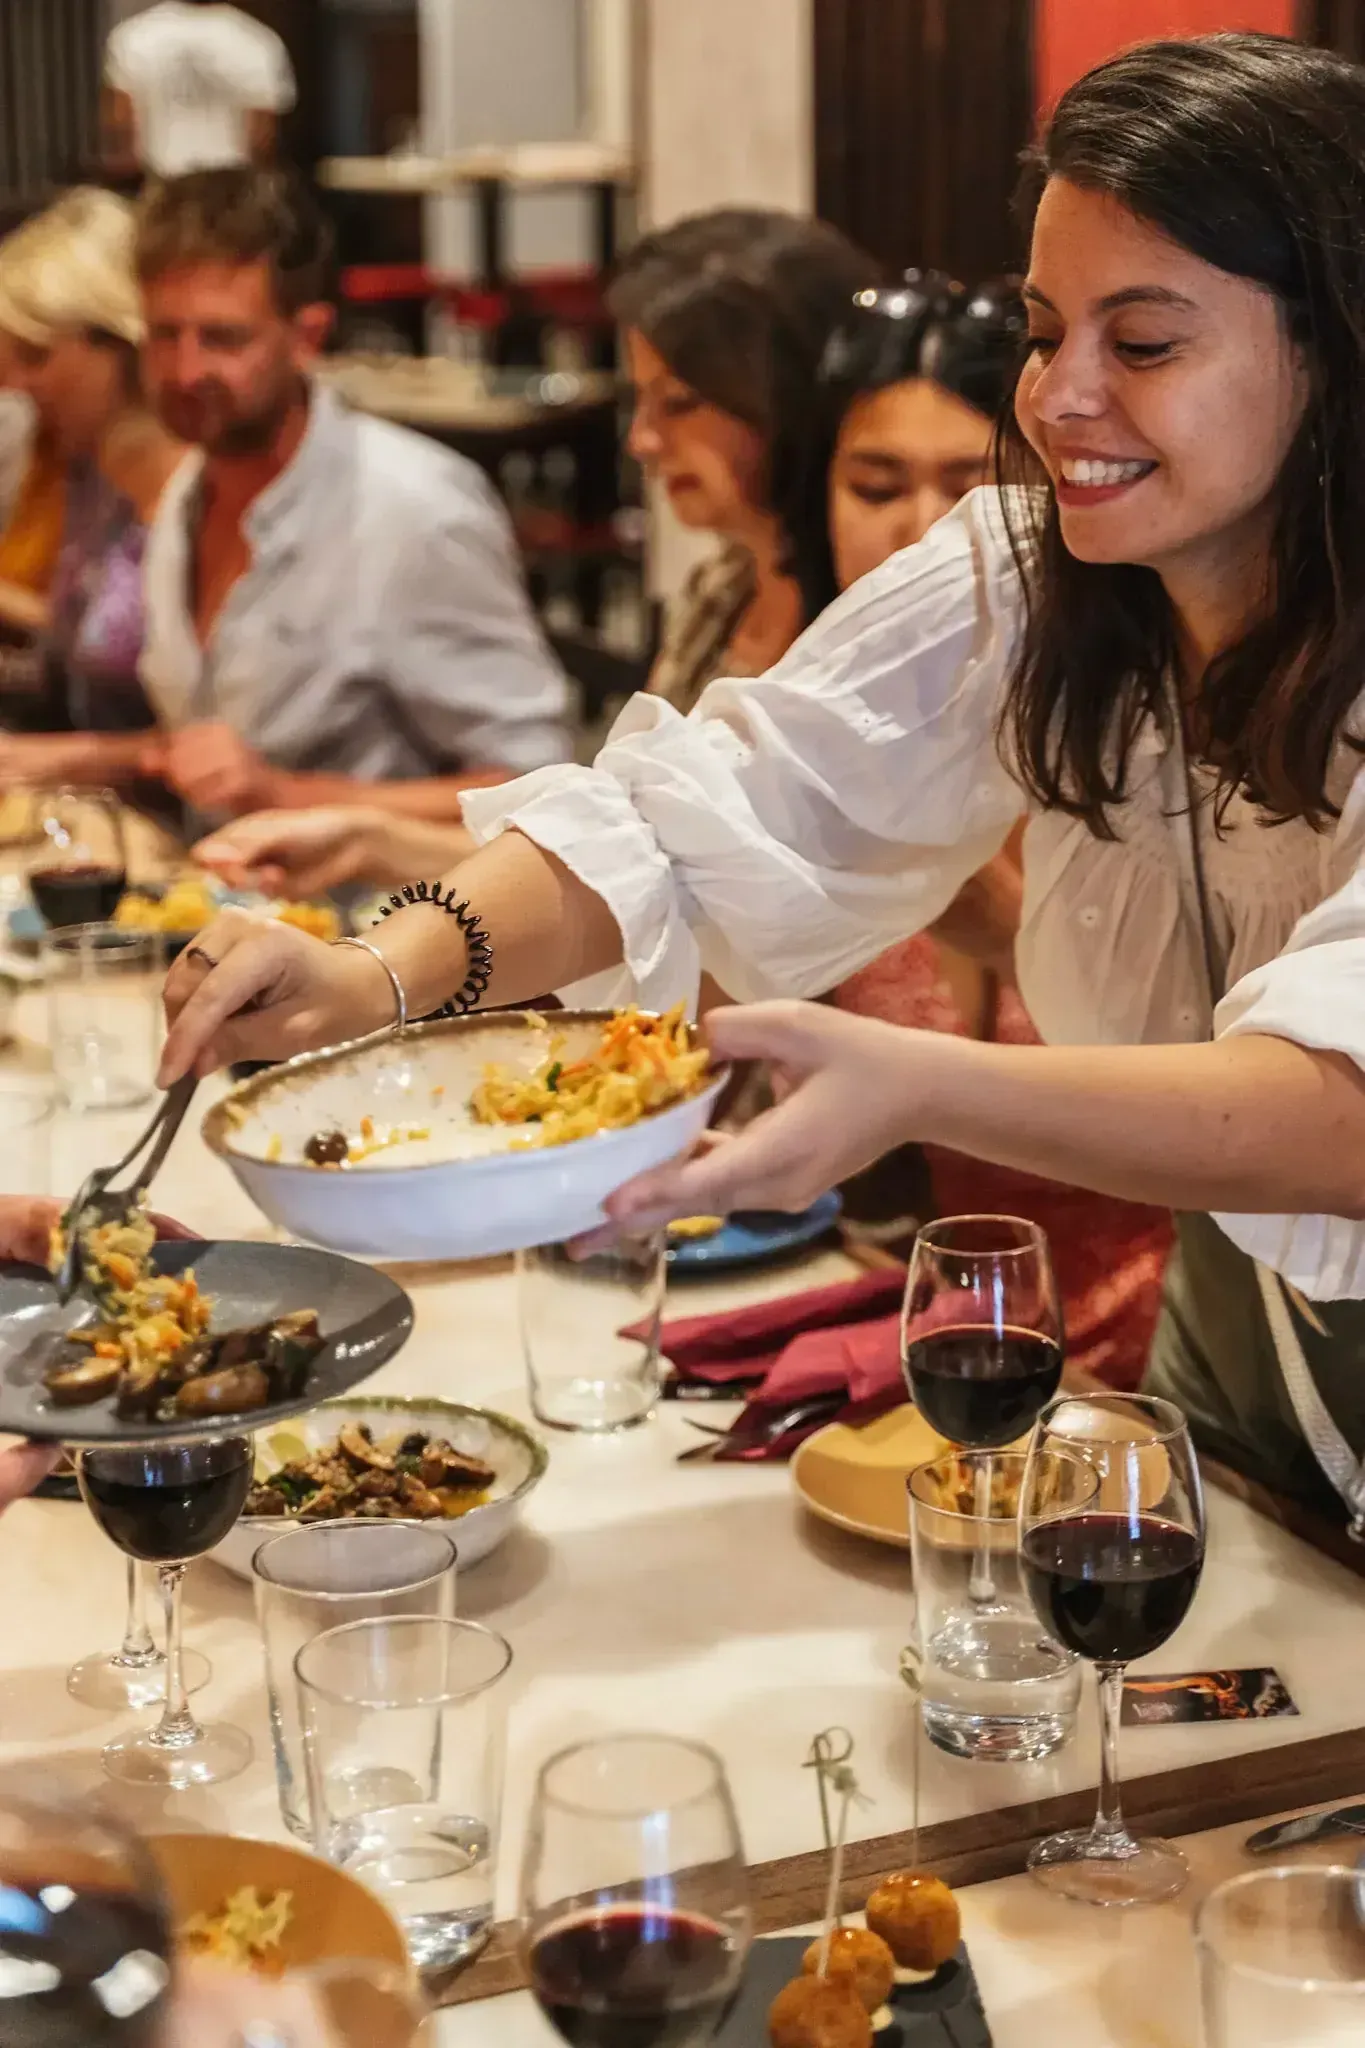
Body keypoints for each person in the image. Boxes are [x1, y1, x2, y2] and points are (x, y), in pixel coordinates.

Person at [132, 164, 572, 830]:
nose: (186, 371)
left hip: (394, 897)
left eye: (223, 338)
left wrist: (282, 794)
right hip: (213, 888)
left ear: (306, 337)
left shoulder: (415, 511)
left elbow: (538, 787)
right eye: (165, 335)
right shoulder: (187, 492)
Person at [0, 189, 182, 777]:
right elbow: (72, 660)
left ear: (122, 346)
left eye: (35, 357)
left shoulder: (203, 488)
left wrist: (49, 759)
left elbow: (230, 743)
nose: (14, 385)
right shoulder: (87, 476)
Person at [103, 0, 295, 181]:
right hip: (230, 186)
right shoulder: (258, 41)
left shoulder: (133, 36)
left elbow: (121, 122)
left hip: (160, 184)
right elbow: (262, 135)